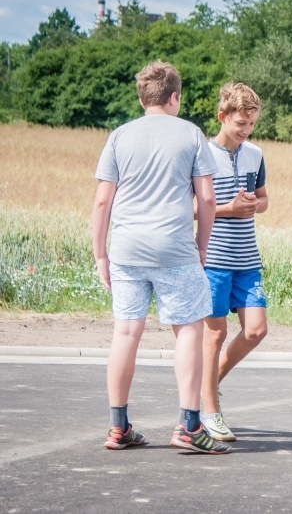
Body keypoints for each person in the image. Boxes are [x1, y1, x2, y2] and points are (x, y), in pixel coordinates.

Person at [92, 60, 231, 454]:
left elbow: (103, 201)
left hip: (127, 249)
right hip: (174, 249)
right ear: (175, 97)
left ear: (142, 97)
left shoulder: (119, 136)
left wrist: (100, 254)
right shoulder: (190, 134)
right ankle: (189, 426)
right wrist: (201, 247)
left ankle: (118, 427)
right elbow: (206, 198)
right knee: (188, 330)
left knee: (125, 333)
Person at [200, 83, 269, 441]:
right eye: (241, 123)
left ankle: (206, 386)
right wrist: (228, 209)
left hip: (247, 257)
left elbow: (264, 198)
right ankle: (208, 411)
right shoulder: (202, 155)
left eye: (252, 124)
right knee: (215, 333)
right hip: (212, 258)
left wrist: (255, 205)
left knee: (256, 330)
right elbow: (191, 209)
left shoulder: (255, 155)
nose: (246, 131)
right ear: (222, 116)